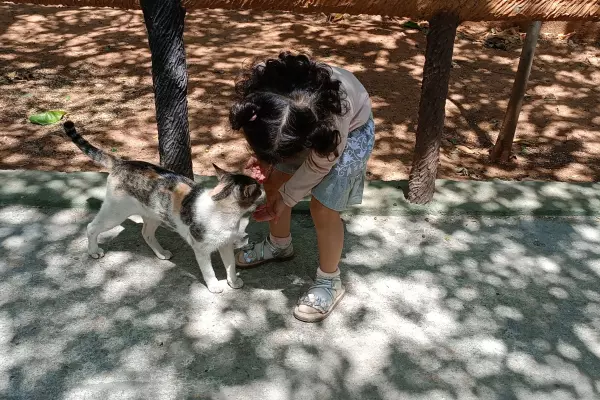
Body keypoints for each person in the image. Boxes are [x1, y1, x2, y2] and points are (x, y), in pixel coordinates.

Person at [229, 52, 374, 322]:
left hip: (348, 132)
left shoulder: (333, 116)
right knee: (275, 180)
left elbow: (320, 164)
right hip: (296, 128)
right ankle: (279, 244)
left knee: (324, 207)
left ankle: (330, 280)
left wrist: (287, 198)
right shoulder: (262, 94)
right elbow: (264, 135)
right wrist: (265, 159)